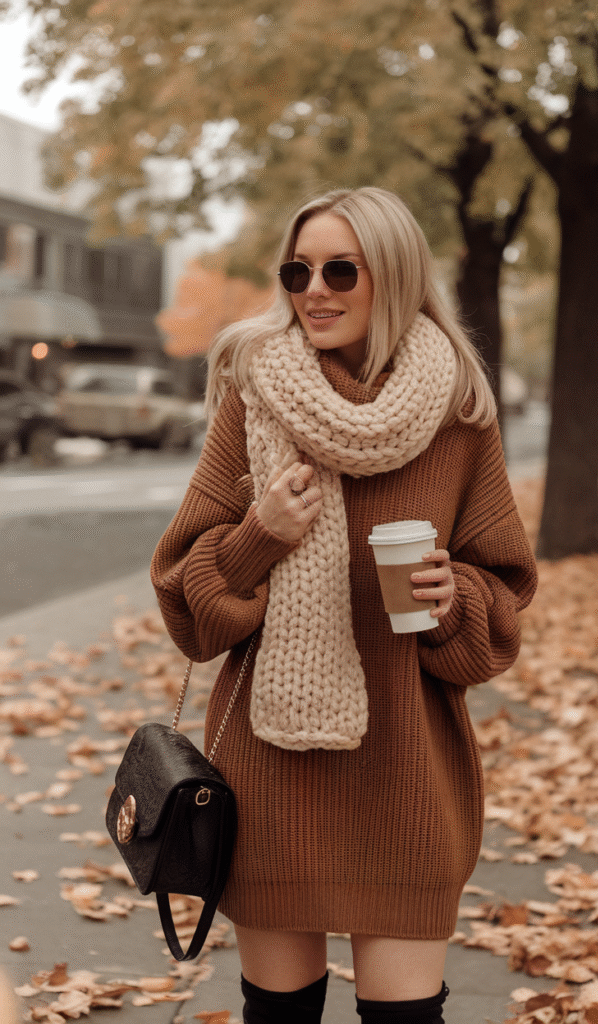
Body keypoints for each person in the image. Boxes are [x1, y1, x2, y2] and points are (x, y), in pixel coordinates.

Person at [151, 187, 537, 1024]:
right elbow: (186, 606)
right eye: (297, 272)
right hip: (271, 770)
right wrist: (259, 536)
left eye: (339, 271)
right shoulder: (252, 398)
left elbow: (501, 596)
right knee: (278, 1014)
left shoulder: (459, 416)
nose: (313, 290)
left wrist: (451, 598)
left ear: (391, 276)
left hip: (407, 770)